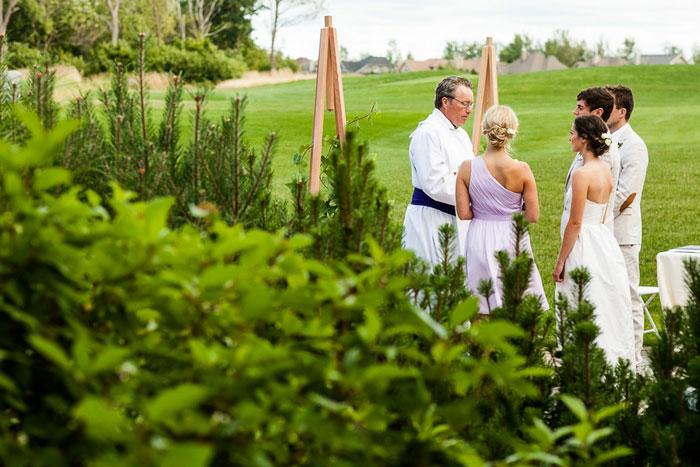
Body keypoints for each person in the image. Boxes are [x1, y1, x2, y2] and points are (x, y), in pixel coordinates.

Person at [554, 115, 635, 371]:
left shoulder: (582, 175)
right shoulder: (605, 171)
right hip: (603, 241)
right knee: (604, 302)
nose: (570, 137)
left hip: (584, 244)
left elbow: (576, 222)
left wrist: (560, 260)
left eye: (572, 133)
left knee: (580, 301)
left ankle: (582, 364)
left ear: (585, 138)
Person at [455, 106, 549, 314]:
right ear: (512, 131)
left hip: (480, 235)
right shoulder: (522, 169)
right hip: (512, 236)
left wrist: (483, 211)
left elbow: (464, 213)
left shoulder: (466, 168)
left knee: (480, 303)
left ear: (484, 129)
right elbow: (532, 215)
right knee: (516, 301)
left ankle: (480, 346)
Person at [402, 76, 475, 267]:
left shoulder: (461, 134)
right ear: (445, 101)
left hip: (456, 217)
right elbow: (435, 183)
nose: (469, 110)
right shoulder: (428, 133)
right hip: (431, 219)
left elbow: (471, 174)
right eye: (464, 104)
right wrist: (477, 196)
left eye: (471, 105)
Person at [605, 85, 649, 367]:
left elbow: (626, 196)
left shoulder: (634, 145)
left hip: (622, 234)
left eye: (608, 106)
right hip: (603, 233)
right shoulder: (604, 141)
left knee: (630, 295)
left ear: (621, 112)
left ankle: (633, 359)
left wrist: (597, 218)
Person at [563, 87, 621, 237]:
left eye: (580, 107)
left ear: (598, 112)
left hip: (588, 232)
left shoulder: (602, 151)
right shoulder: (588, 142)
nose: (574, 111)